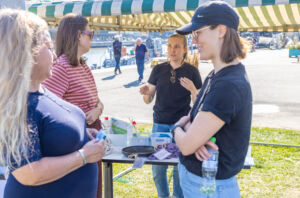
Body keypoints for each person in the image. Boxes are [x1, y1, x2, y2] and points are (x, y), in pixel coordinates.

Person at [0, 9, 106, 198]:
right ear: (26, 53)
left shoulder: (40, 90)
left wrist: (81, 133)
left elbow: (51, 130)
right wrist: (83, 155)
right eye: (49, 48)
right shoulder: (19, 105)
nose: (55, 56)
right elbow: (28, 172)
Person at [173, 1, 252, 198]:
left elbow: (185, 144)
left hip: (209, 187)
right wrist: (194, 135)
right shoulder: (216, 75)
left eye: (198, 33)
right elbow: (193, 121)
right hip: (203, 183)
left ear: (221, 30)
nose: (194, 41)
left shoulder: (228, 84)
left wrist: (176, 128)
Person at [42, 14, 104, 198]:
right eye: (90, 33)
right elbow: (45, 110)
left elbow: (98, 101)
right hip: (77, 145)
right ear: (78, 35)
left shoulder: (83, 67)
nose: (92, 37)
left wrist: (97, 110)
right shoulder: (61, 68)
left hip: (91, 140)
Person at [140, 34, 202, 198]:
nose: (172, 50)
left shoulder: (192, 71)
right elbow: (148, 99)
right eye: (169, 46)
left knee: (179, 167)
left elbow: (199, 103)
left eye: (176, 46)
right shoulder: (158, 69)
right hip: (160, 126)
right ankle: (163, 196)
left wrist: (193, 91)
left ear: (184, 49)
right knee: (158, 168)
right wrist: (146, 94)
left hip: (182, 128)